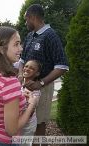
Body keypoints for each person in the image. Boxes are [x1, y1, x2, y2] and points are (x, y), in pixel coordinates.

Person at [0, 26, 39, 146]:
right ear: (1, 49)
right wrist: (31, 105)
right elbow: (11, 130)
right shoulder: (9, 82)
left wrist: (18, 95)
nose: (21, 48)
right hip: (3, 141)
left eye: (20, 44)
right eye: (16, 44)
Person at [19, 4, 69, 142]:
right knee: (28, 120)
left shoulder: (50, 36)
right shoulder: (30, 36)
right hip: (27, 88)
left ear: (33, 17)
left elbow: (62, 66)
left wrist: (40, 83)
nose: (25, 22)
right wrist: (19, 75)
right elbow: (22, 59)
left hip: (42, 88)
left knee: (39, 124)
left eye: (26, 19)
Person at [21, 60, 42, 146]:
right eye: (26, 66)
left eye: (32, 68)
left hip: (27, 126)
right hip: (18, 123)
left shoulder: (35, 90)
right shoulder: (20, 83)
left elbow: (30, 111)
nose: (27, 69)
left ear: (37, 74)